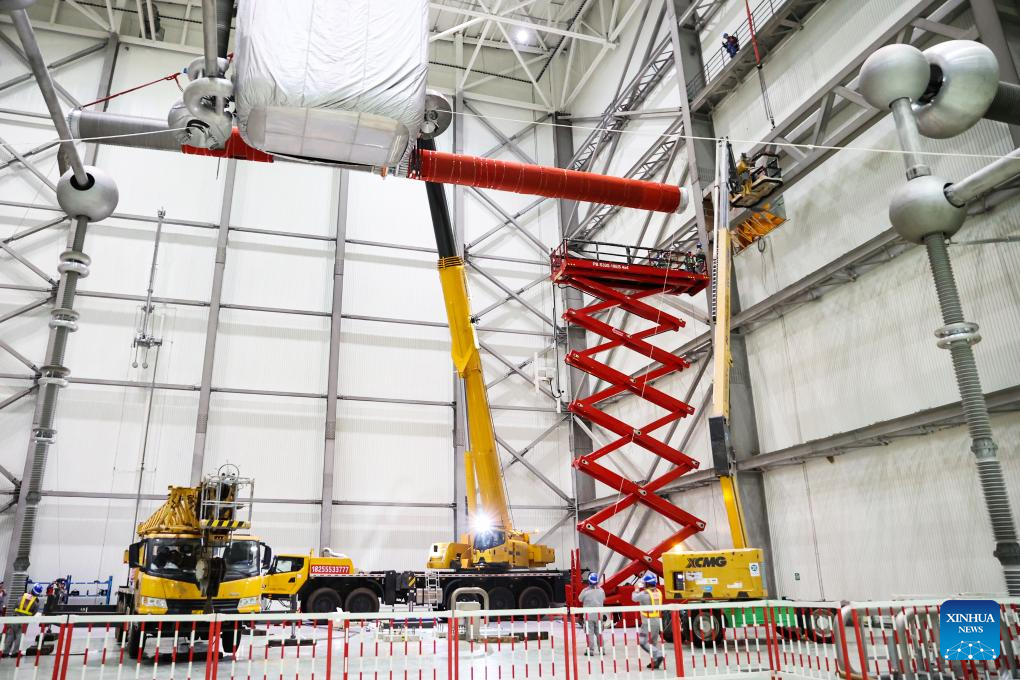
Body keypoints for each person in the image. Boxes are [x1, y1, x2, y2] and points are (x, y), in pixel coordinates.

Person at [632, 573, 664, 670]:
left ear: (647, 584)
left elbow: (634, 598)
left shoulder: (645, 594)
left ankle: (658, 655)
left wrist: (636, 589)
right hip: (657, 621)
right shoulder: (658, 592)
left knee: (643, 642)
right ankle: (655, 661)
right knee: (653, 642)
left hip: (647, 622)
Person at [2, 584, 42, 658]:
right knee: (19, 636)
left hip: (15, 618)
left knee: (10, 635)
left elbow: (14, 606)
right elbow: (34, 613)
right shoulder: (36, 602)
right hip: (24, 621)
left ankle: (5, 652)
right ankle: (15, 653)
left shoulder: (22, 597)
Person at [578, 573, 605, 656]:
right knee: (599, 633)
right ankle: (602, 650)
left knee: (590, 633)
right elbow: (604, 599)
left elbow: (580, 599)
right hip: (599, 615)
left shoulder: (585, 591)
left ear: (589, 582)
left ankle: (591, 651)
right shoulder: (601, 591)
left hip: (588, 616)